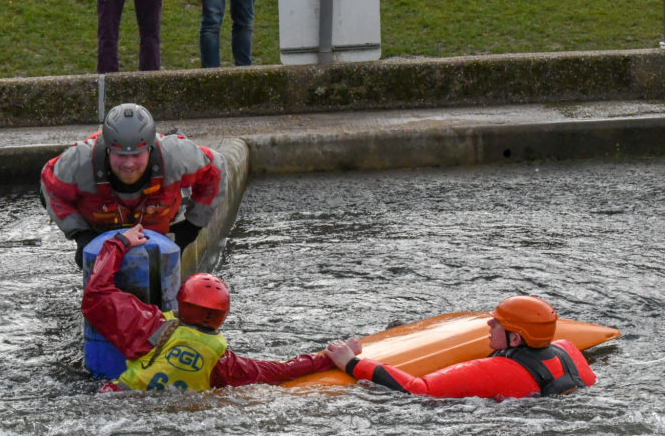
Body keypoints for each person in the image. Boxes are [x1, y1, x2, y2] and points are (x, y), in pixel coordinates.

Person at [82, 224, 356, 392]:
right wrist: (328, 358)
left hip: (118, 399)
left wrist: (118, 243)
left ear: (181, 301)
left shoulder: (151, 327)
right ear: (223, 317)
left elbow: (96, 294)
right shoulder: (221, 362)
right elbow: (279, 371)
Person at [41, 102, 224, 268]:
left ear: (150, 148)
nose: (129, 164)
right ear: (108, 149)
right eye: (121, 155)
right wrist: (80, 235)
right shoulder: (78, 163)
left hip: (156, 221)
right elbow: (49, 186)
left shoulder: (176, 155)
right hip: (100, 227)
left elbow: (215, 168)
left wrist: (192, 226)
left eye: (137, 155)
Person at [323, 296, 597, 399]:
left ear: (515, 340)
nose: (488, 323)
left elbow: (419, 389)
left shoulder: (491, 370)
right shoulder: (568, 351)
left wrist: (351, 363)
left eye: (497, 323)